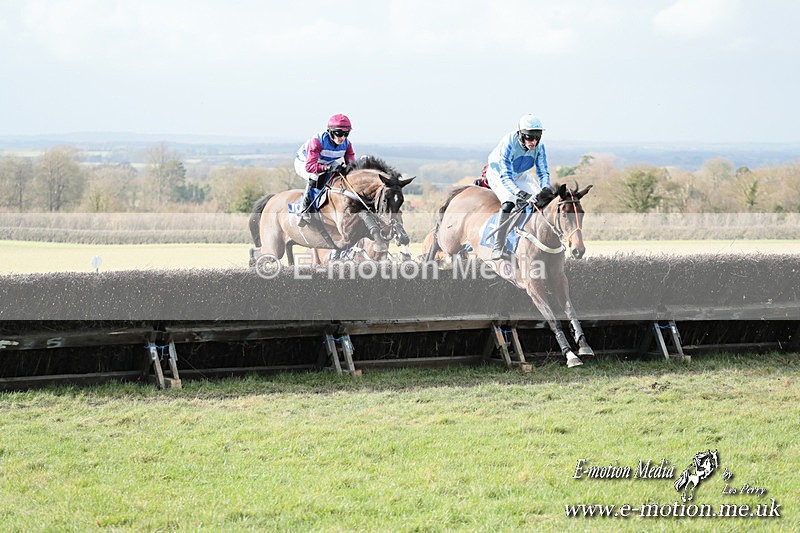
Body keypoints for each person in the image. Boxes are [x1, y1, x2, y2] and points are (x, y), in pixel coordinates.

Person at [485, 113, 555, 259]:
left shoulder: (539, 147)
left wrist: (545, 188)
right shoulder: (509, 142)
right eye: (529, 137)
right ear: (520, 134)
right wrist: (520, 193)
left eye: (537, 136)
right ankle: (498, 246)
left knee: (542, 202)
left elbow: (543, 172)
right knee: (510, 202)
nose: (533, 141)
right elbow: (506, 176)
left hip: (521, 174)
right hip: (498, 174)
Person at [295, 114, 356, 221]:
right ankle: (304, 207)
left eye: (346, 133)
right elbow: (310, 167)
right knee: (315, 176)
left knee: (342, 174)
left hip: (326, 162)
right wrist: (327, 169)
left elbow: (352, 167)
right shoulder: (317, 141)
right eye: (339, 133)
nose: (343, 137)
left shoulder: (347, 144)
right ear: (330, 131)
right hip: (304, 162)